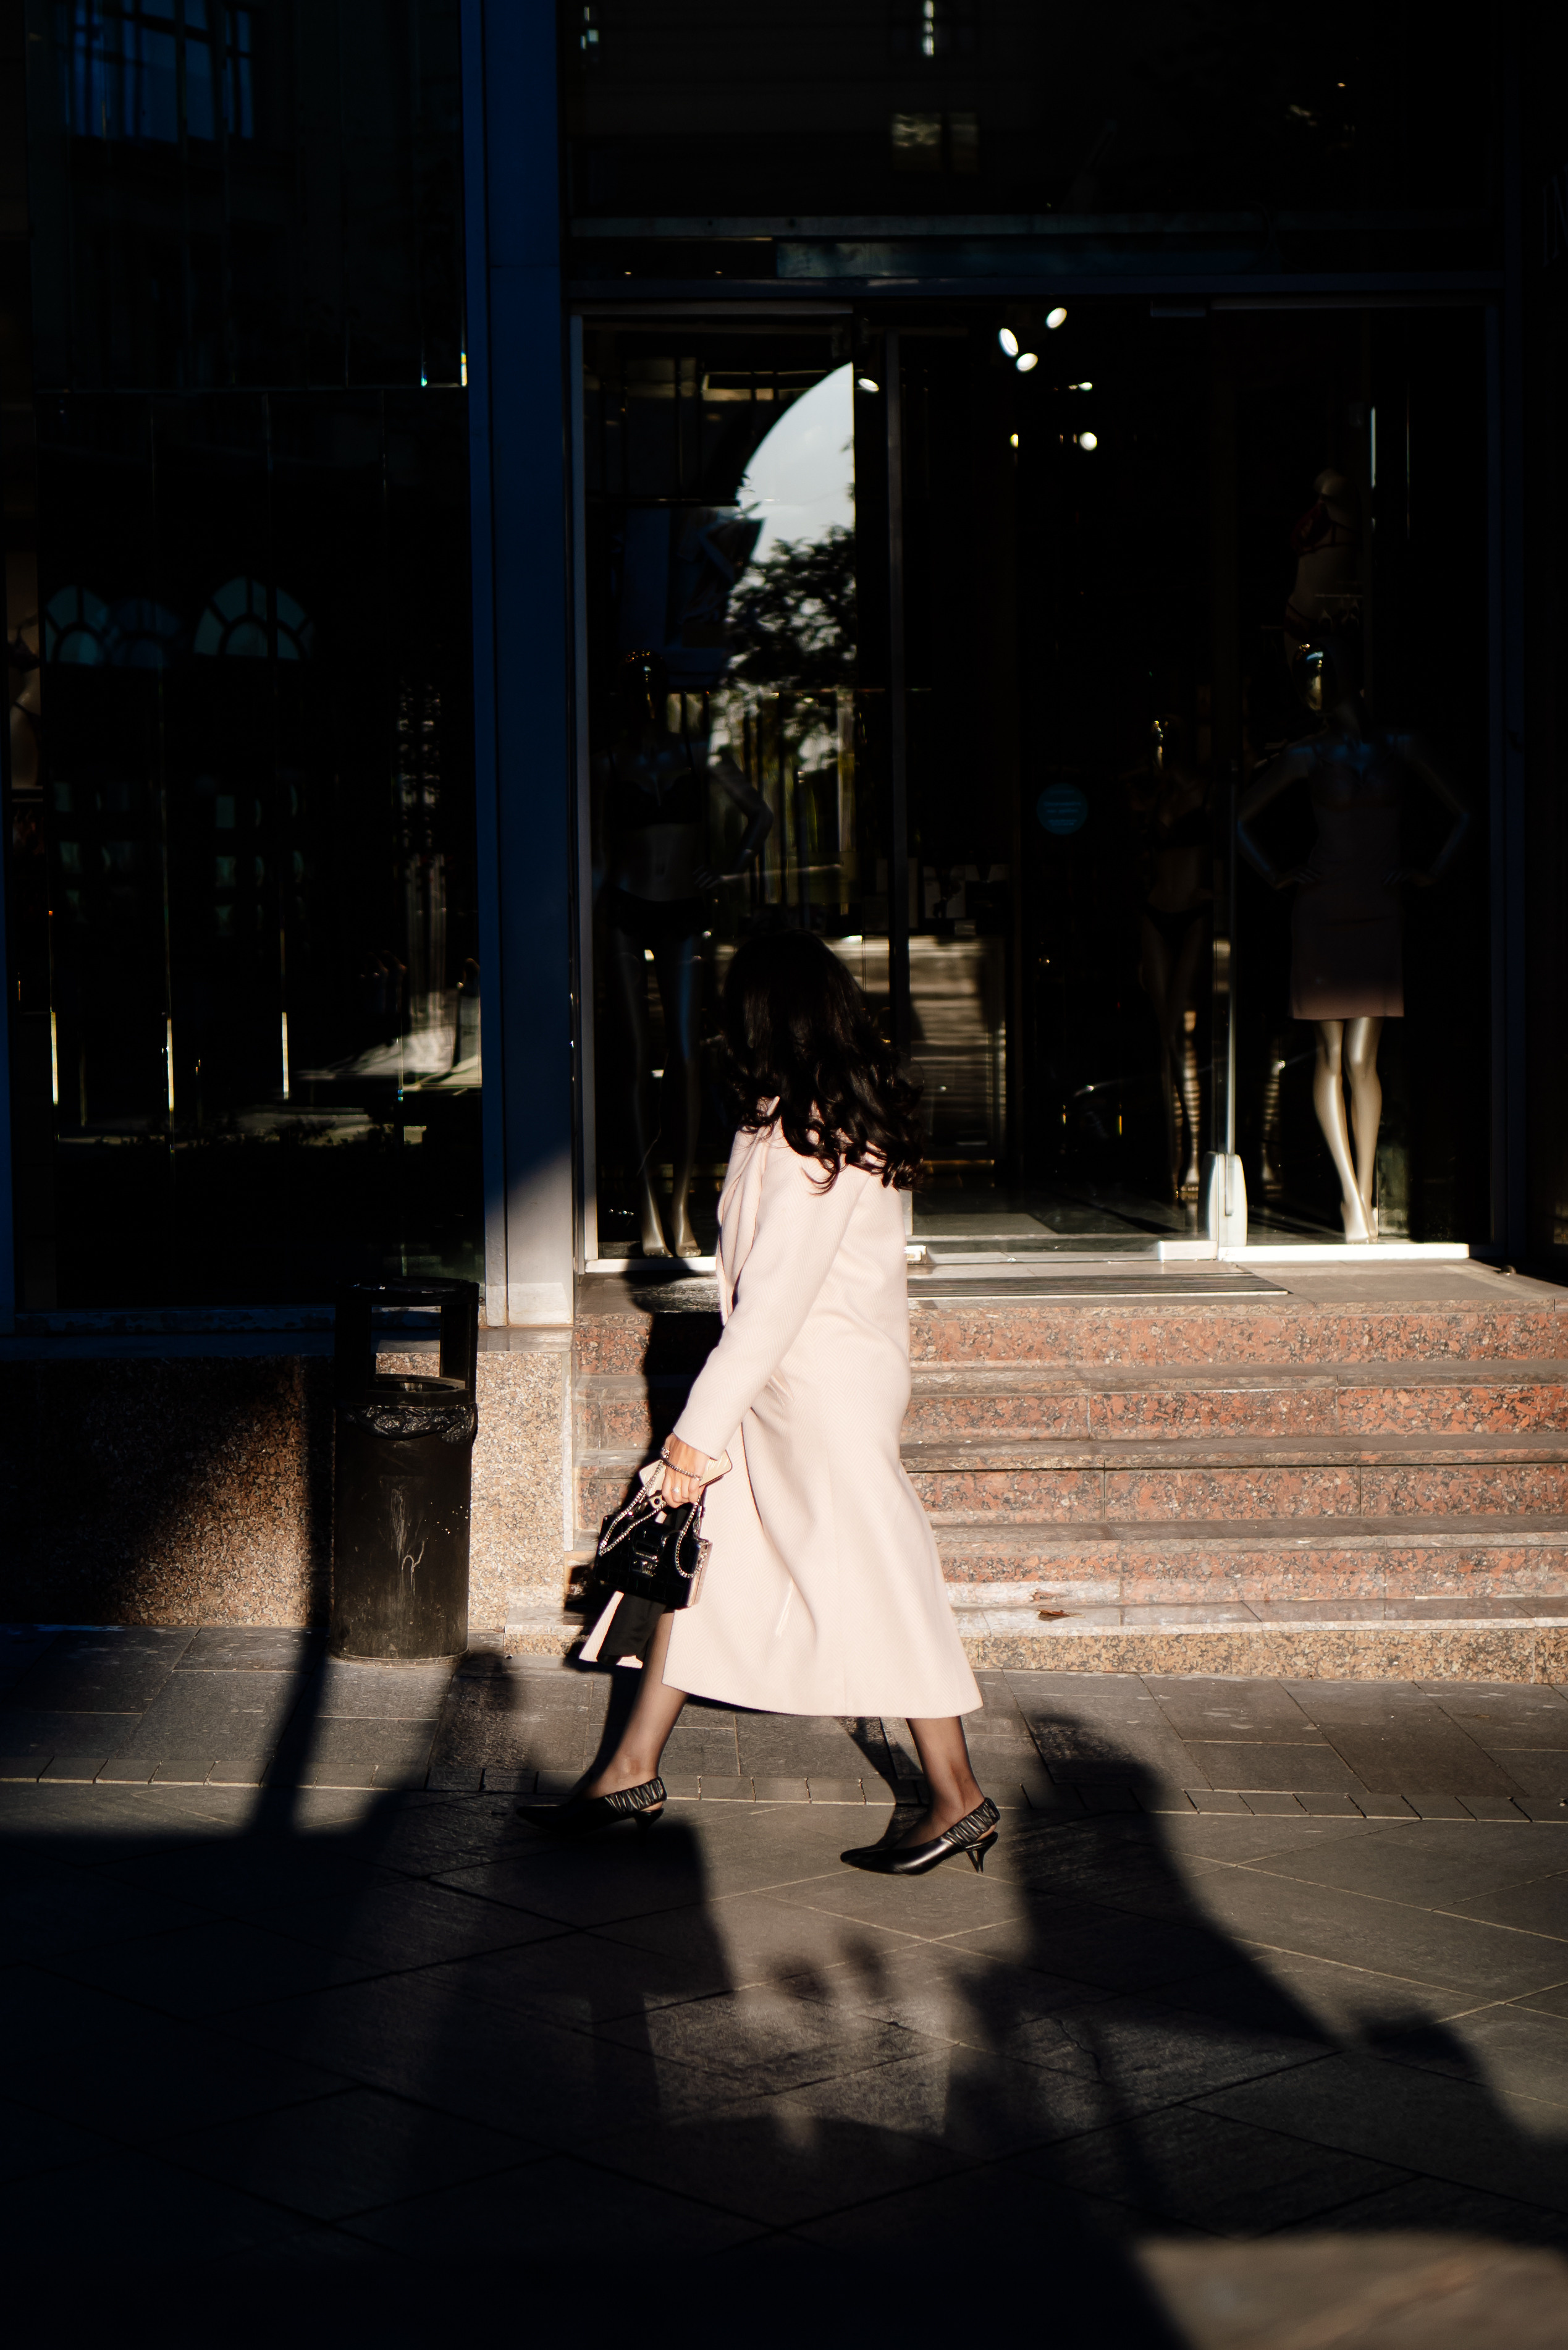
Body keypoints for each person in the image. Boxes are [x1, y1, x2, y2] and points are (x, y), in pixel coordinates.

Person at [520, 929, 995, 1877]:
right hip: (780, 1385)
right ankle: (628, 1765)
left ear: (762, 1018)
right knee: (703, 1564)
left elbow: (772, 1304)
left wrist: (692, 1441)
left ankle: (959, 1795)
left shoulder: (824, 1135)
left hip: (819, 1391)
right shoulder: (785, 1119)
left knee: (882, 1576)